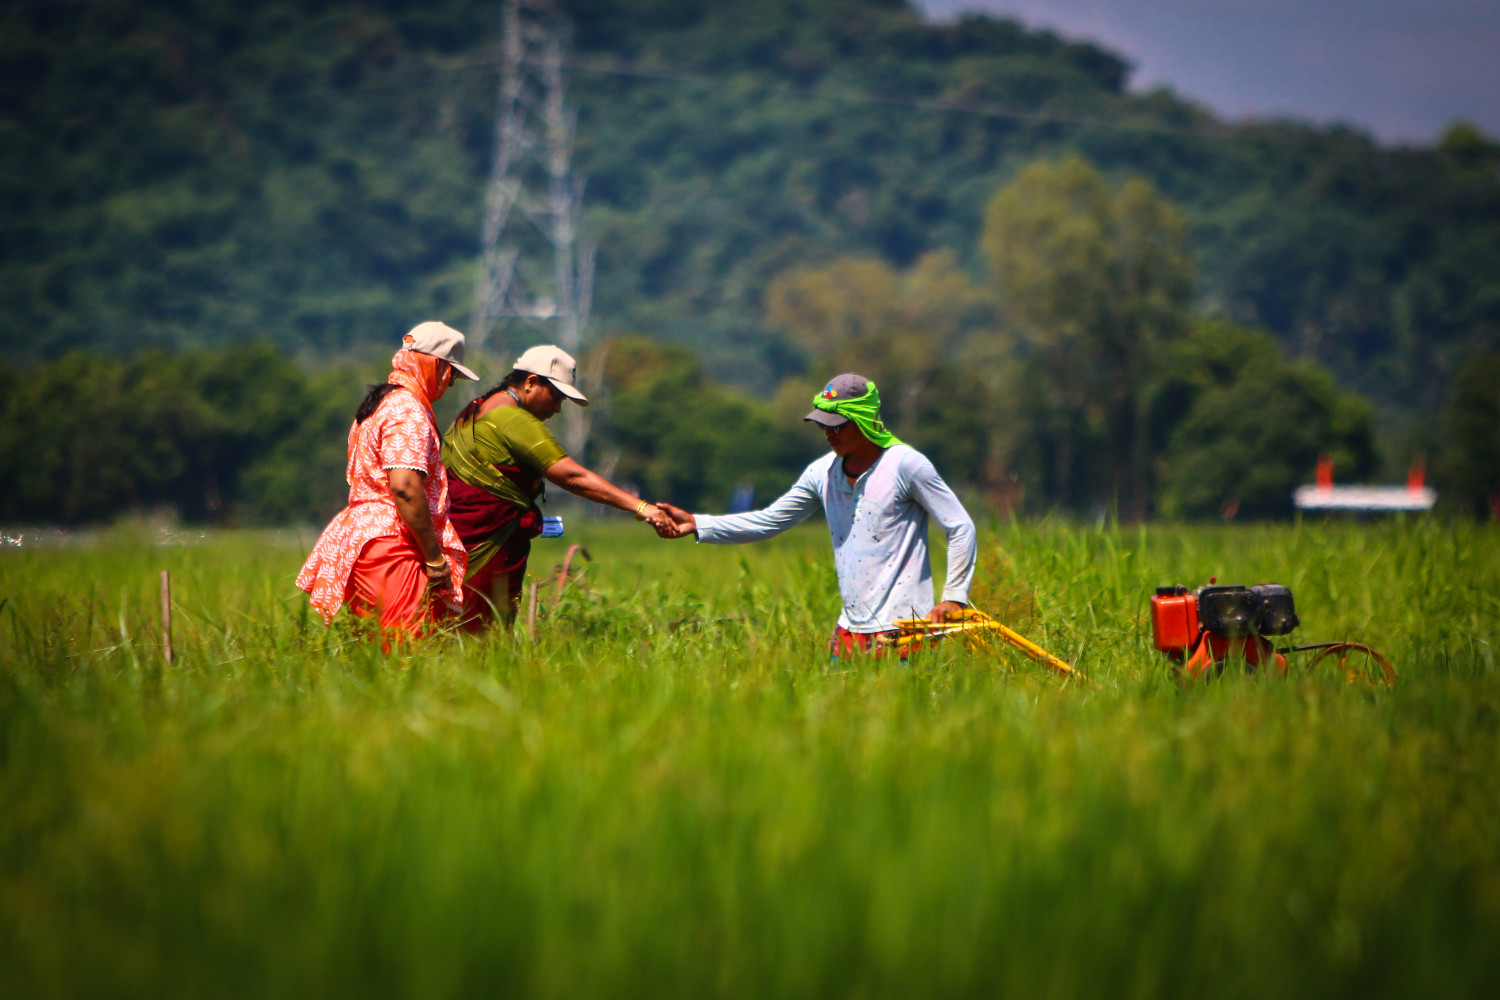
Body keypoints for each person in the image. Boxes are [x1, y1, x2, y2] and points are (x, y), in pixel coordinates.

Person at [655, 373, 977, 656]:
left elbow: (960, 527)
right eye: (823, 425)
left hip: (906, 627)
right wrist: (698, 523)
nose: (828, 433)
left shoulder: (906, 466)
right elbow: (768, 521)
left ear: (862, 420)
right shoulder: (821, 473)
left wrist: (954, 597)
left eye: (837, 426)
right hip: (850, 628)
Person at [442, 344, 670, 626]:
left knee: (451, 624)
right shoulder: (512, 419)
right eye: (556, 396)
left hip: (456, 540)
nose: (558, 409)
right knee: (480, 628)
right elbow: (572, 477)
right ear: (531, 382)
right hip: (488, 546)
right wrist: (641, 507)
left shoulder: (477, 410)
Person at [297, 321, 480, 636]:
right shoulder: (407, 410)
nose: (448, 386)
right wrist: (435, 559)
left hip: (366, 539)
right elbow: (405, 488)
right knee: (407, 647)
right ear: (439, 367)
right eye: (451, 377)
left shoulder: (383, 402)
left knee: (379, 647)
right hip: (390, 543)